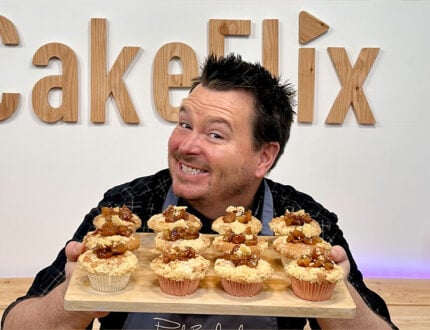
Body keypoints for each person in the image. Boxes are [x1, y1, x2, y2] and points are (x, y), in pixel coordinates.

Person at [2, 53, 398, 329]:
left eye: (215, 134)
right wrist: (76, 297)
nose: (187, 145)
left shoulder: (303, 221)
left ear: (264, 156)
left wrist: (335, 295)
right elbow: (16, 322)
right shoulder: (124, 211)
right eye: (184, 124)